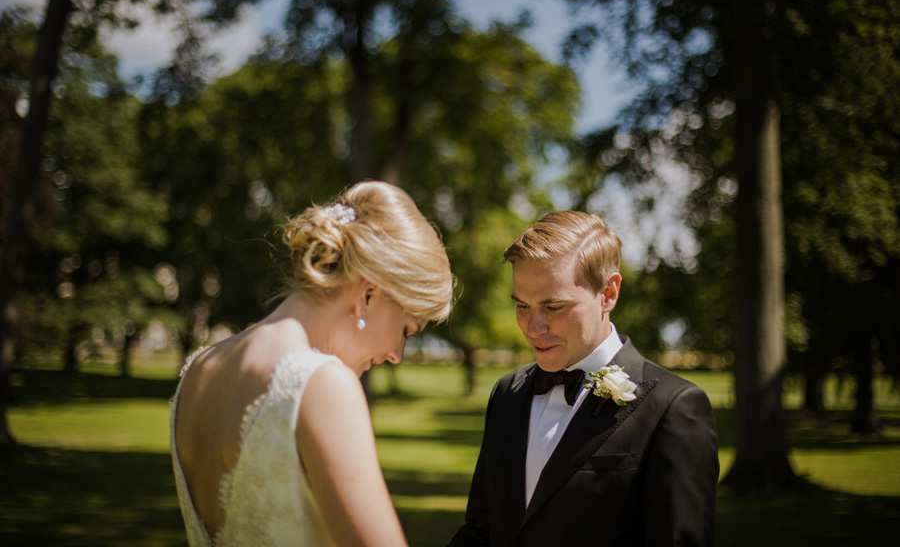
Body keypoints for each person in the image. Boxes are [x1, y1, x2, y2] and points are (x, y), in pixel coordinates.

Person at [170, 181, 453, 546]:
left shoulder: (199, 370)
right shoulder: (323, 384)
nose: (397, 356)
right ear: (368, 293)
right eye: (406, 330)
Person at [448, 211, 718, 547]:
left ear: (608, 294)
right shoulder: (508, 393)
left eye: (554, 306)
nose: (533, 328)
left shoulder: (673, 409)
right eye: (522, 306)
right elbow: (481, 531)